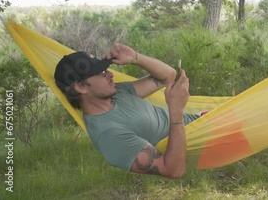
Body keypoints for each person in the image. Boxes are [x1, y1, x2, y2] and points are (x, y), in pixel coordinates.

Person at [54, 43, 200, 178]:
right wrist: (176, 111)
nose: (110, 74)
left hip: (204, 120)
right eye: (101, 73)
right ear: (81, 87)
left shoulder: (117, 92)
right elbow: (173, 170)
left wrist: (136, 58)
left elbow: (168, 76)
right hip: (204, 138)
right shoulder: (109, 136)